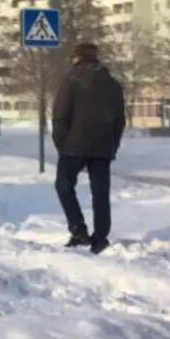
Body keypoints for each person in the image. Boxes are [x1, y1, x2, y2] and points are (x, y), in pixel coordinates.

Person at [51, 42, 126, 254]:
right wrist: (113, 144)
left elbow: (59, 115)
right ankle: (100, 237)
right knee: (100, 193)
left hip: (73, 146)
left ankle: (78, 230)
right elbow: (120, 120)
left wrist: (61, 143)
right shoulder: (113, 84)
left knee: (63, 186)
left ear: (77, 58)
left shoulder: (71, 81)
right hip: (103, 146)